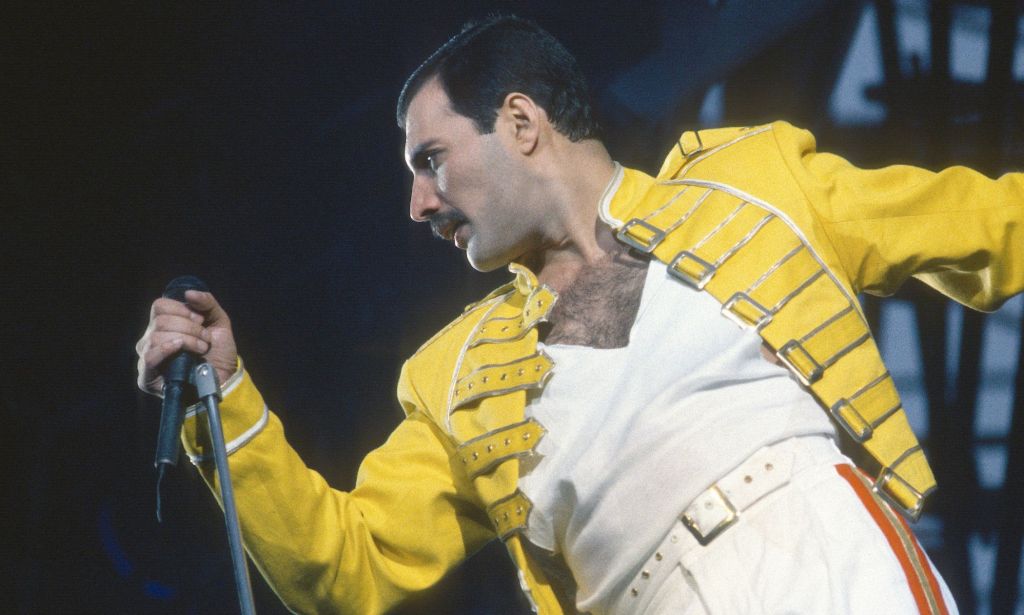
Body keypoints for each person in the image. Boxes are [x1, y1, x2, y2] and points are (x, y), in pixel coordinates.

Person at [136, 15, 1022, 615]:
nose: (417, 202)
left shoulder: (756, 189)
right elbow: (344, 563)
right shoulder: (450, 377)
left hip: (834, 565)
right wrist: (232, 397)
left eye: (431, 158)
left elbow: (993, 228)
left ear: (520, 122)